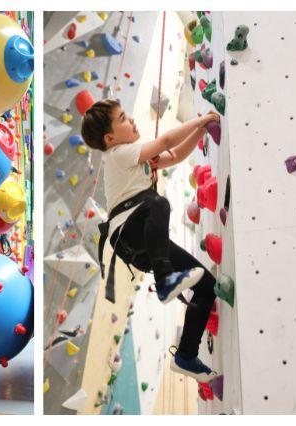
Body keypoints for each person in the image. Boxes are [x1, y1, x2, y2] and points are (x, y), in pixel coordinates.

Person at [81, 98, 221, 381]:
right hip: (130, 233)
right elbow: (166, 140)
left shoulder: (135, 157)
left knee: (206, 286)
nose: (131, 120)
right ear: (110, 138)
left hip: (145, 244)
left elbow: (175, 154)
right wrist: (200, 120)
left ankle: (186, 355)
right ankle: (166, 279)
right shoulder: (119, 154)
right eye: (123, 118)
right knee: (158, 203)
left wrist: (201, 130)